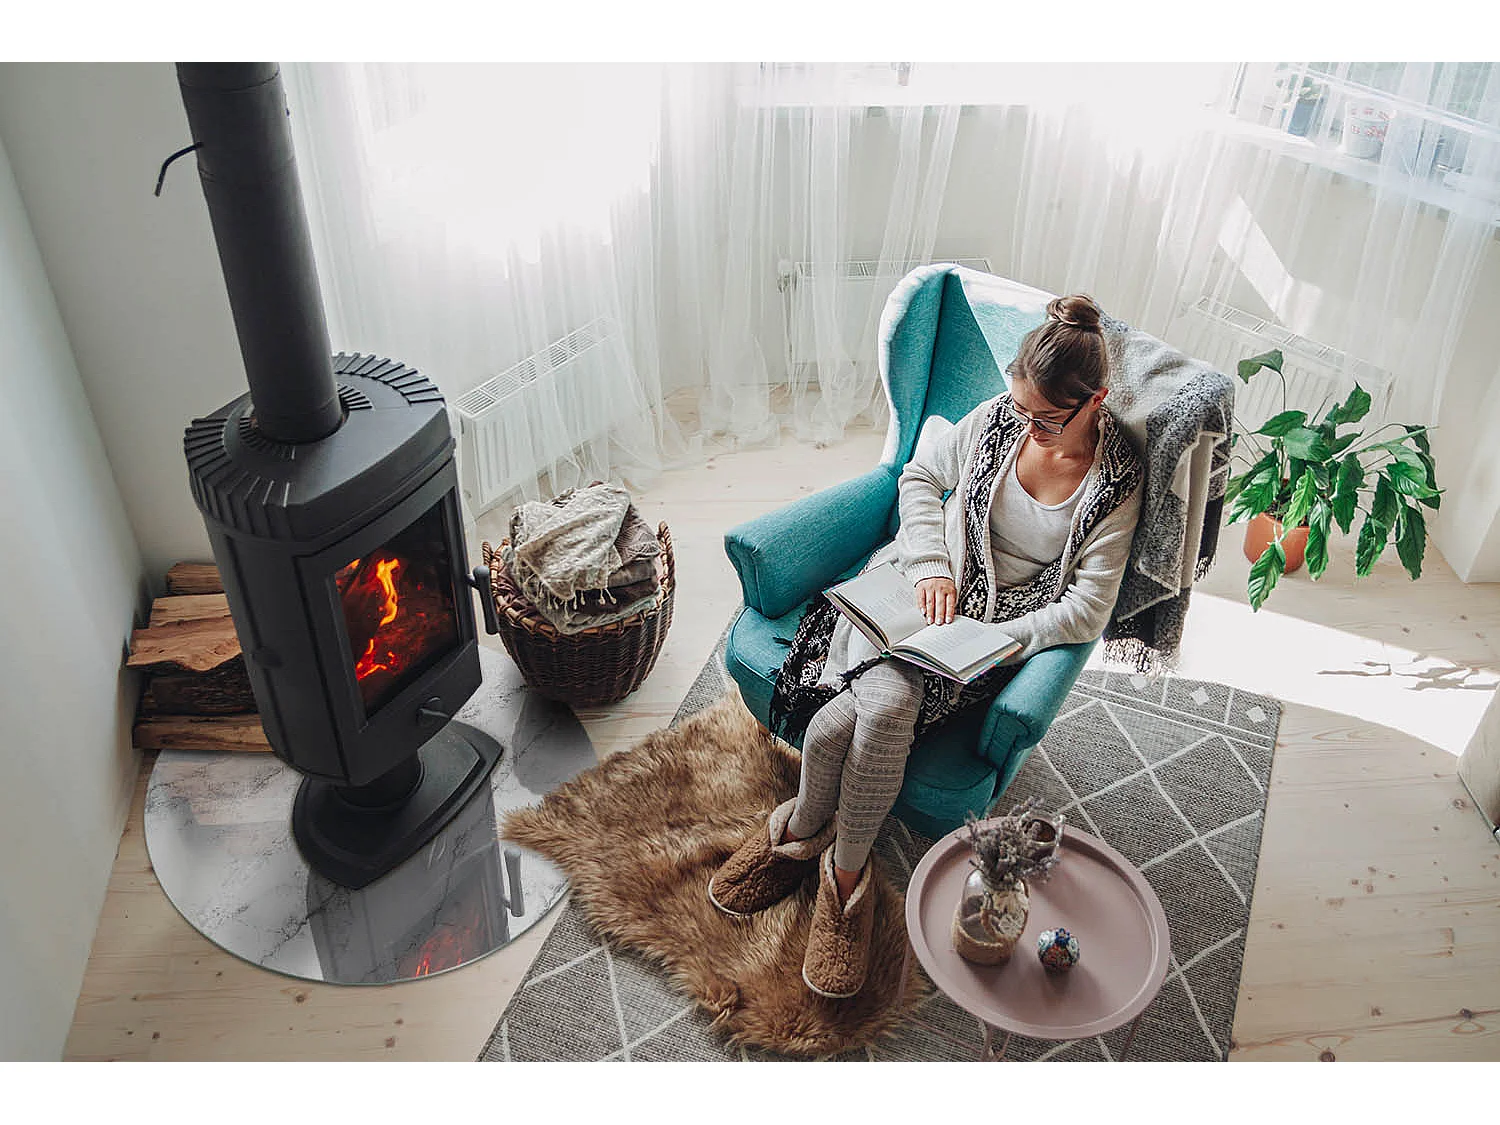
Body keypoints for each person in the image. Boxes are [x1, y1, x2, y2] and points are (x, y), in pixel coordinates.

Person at [708, 293, 1145, 999]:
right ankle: (838, 874)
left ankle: (811, 850)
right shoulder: (1003, 416)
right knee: (879, 711)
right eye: (1019, 408)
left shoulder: (1116, 482)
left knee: (854, 721)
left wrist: (1001, 641)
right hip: (917, 582)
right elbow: (919, 476)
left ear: (1094, 400)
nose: (1026, 429)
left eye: (1045, 419)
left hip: (991, 633)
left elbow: (1087, 608)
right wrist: (932, 566)